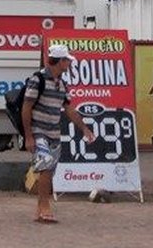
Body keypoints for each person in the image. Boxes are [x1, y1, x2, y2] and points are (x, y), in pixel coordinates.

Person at [22, 43, 96, 224]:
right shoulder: (37, 79)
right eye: (67, 61)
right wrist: (29, 136)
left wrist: (84, 128)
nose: (69, 64)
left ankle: (40, 208)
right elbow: (26, 108)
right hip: (39, 131)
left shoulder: (62, 84)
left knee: (49, 171)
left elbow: (69, 109)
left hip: (54, 133)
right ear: (60, 61)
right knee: (46, 166)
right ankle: (45, 206)